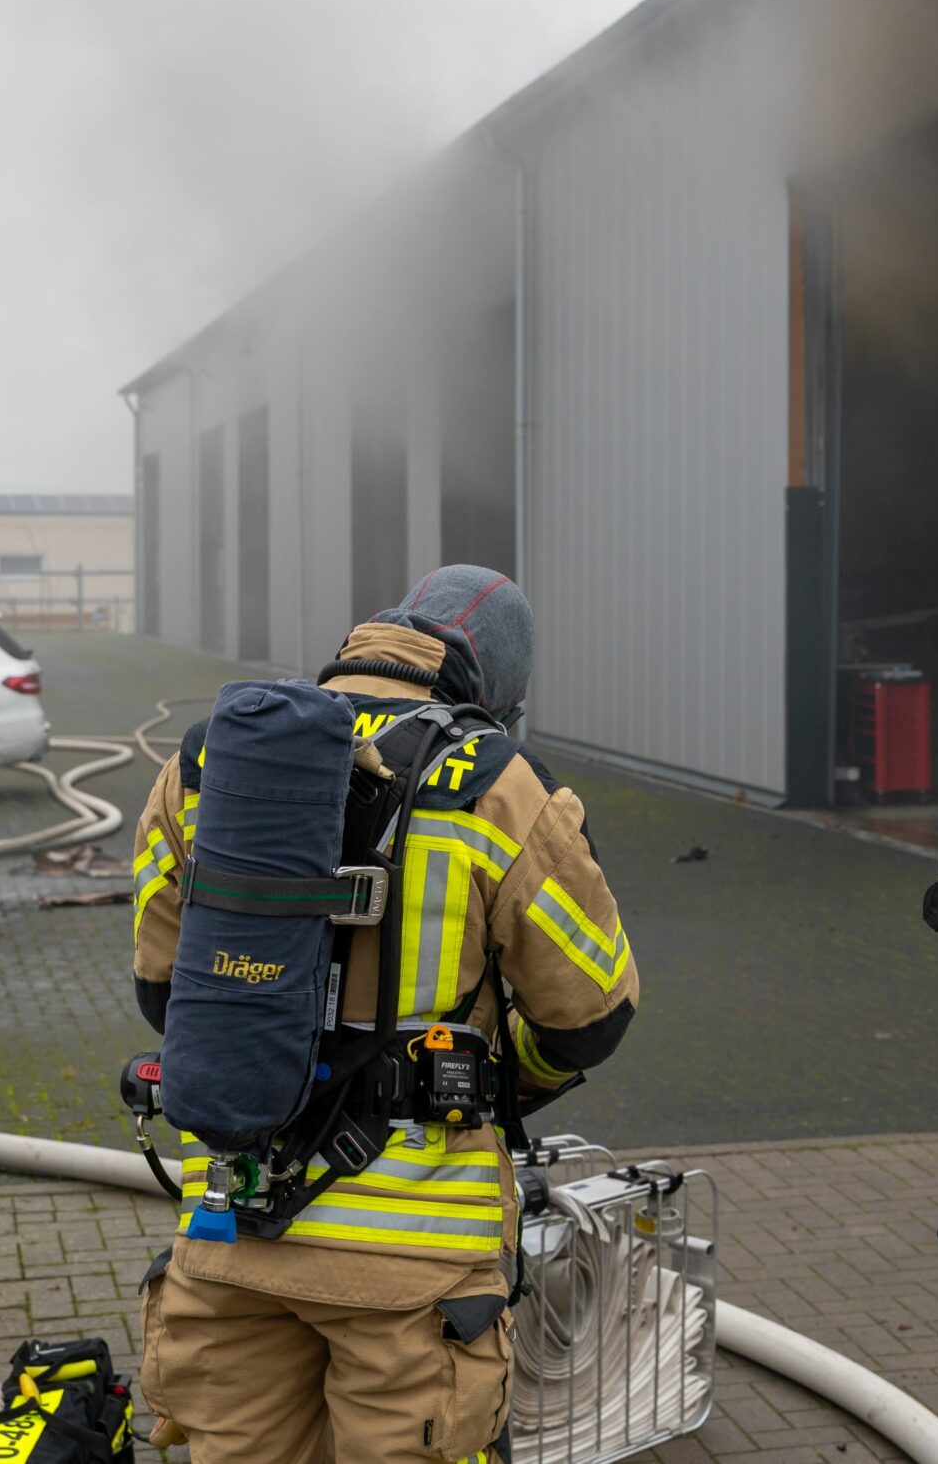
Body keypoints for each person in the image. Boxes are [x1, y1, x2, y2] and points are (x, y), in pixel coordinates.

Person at [131, 566, 638, 1464]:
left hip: (229, 1238)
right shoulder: (500, 782)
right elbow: (589, 1014)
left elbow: (165, 992)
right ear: (499, 689)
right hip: (414, 1267)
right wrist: (489, 1077)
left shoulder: (212, 761)